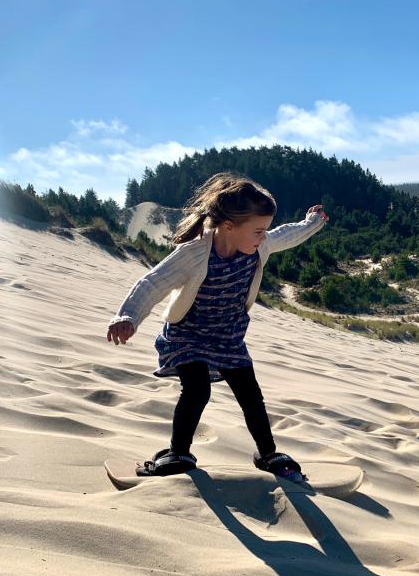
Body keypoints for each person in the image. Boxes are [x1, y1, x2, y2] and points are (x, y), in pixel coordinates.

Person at [106, 172, 329, 480]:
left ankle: (268, 453)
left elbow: (284, 235)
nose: (264, 236)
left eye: (264, 230)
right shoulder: (195, 253)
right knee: (197, 390)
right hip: (188, 335)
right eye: (258, 231)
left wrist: (312, 223)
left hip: (228, 337)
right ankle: (178, 453)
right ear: (228, 226)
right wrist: (128, 316)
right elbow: (153, 282)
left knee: (251, 396)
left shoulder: (257, 246)